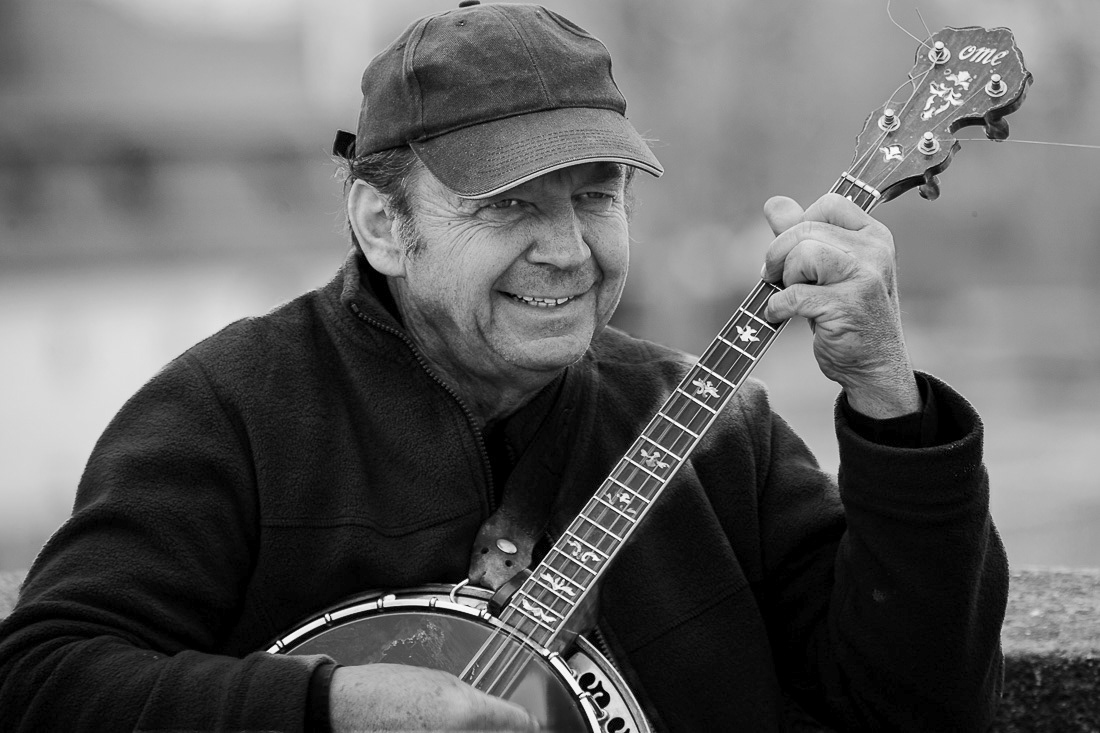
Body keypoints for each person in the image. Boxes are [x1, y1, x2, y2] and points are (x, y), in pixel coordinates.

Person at [0, 2, 1007, 731]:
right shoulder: (229, 411)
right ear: (383, 223)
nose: (569, 249)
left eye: (595, 194)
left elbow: (916, 702)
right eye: (511, 204)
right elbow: (43, 681)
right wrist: (327, 703)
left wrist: (886, 400)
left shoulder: (707, 421)